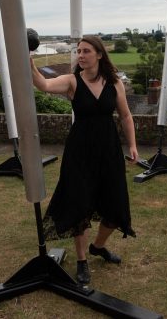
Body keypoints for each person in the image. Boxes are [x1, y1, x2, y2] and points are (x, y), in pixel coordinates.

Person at [30, 36, 138, 285]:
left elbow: (125, 116)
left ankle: (97, 246)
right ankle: (81, 260)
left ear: (99, 54)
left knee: (115, 204)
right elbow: (44, 85)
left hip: (109, 151)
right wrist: (30, 64)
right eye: (78, 51)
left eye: (86, 51)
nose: (80, 55)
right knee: (79, 204)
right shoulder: (72, 81)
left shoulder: (114, 83)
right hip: (79, 152)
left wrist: (132, 145)